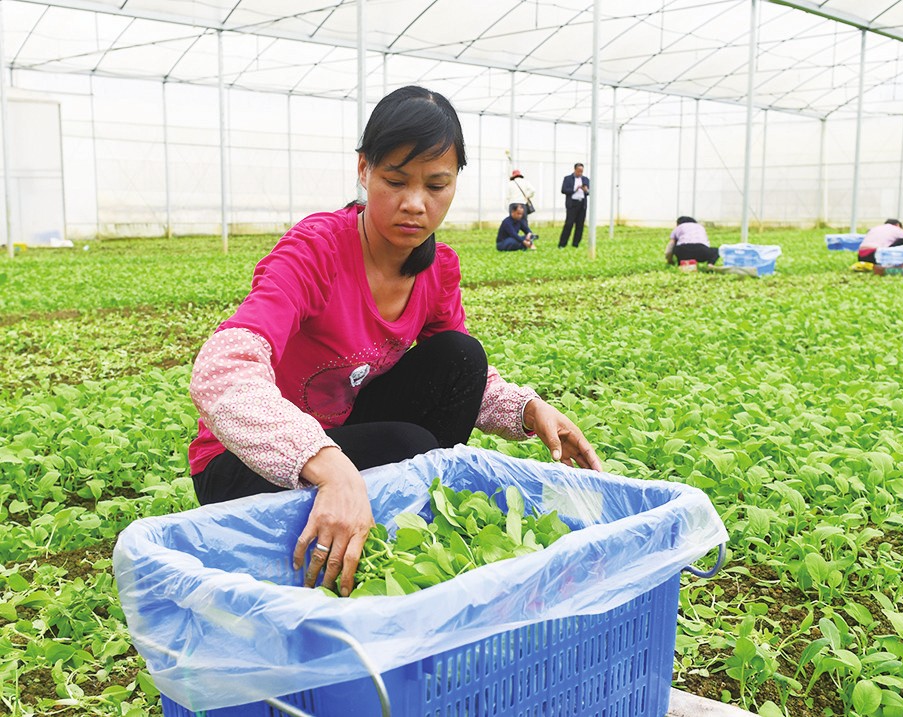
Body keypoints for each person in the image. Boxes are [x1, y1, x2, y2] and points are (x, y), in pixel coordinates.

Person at [187, 85, 600, 599]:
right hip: (242, 464)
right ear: (364, 170)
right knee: (411, 452)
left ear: (455, 184)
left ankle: (386, 539)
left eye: (436, 185)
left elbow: (462, 379)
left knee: (460, 358)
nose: (414, 204)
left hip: (339, 435)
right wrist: (327, 464)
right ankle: (360, 533)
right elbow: (221, 371)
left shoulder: (438, 269)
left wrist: (529, 410)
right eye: (395, 180)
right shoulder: (316, 250)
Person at [558, 163, 590, 248]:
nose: (580, 173)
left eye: (581, 171)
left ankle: (575, 244)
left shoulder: (585, 179)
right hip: (572, 204)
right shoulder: (568, 178)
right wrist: (575, 190)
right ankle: (562, 244)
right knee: (569, 224)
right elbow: (564, 190)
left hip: (582, 204)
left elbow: (588, 192)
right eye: (578, 171)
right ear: (575, 170)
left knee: (580, 225)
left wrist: (585, 190)